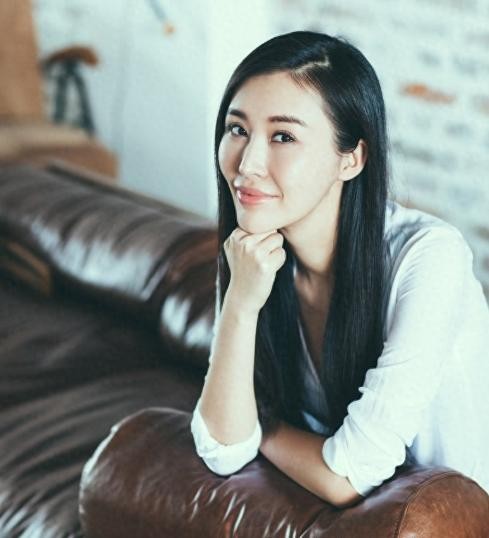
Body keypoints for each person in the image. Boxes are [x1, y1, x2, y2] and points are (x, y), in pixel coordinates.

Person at [190, 30, 489, 507]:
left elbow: (347, 476)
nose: (247, 164)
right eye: (238, 129)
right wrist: (241, 305)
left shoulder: (430, 257)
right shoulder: (254, 255)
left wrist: (261, 426)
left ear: (351, 159)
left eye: (283, 136)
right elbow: (221, 450)